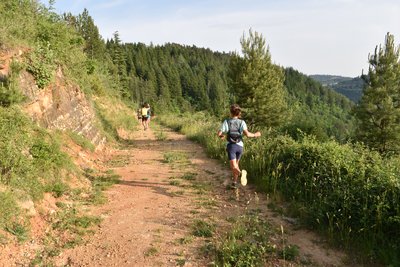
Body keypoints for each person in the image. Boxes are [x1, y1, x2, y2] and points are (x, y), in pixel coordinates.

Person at [217, 104, 261, 189]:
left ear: (231, 112)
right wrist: (256, 134)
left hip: (231, 146)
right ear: (239, 113)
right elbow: (247, 134)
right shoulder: (242, 122)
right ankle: (234, 183)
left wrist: (221, 136)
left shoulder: (227, 121)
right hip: (240, 146)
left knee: (233, 166)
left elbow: (219, 133)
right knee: (236, 165)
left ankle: (241, 174)